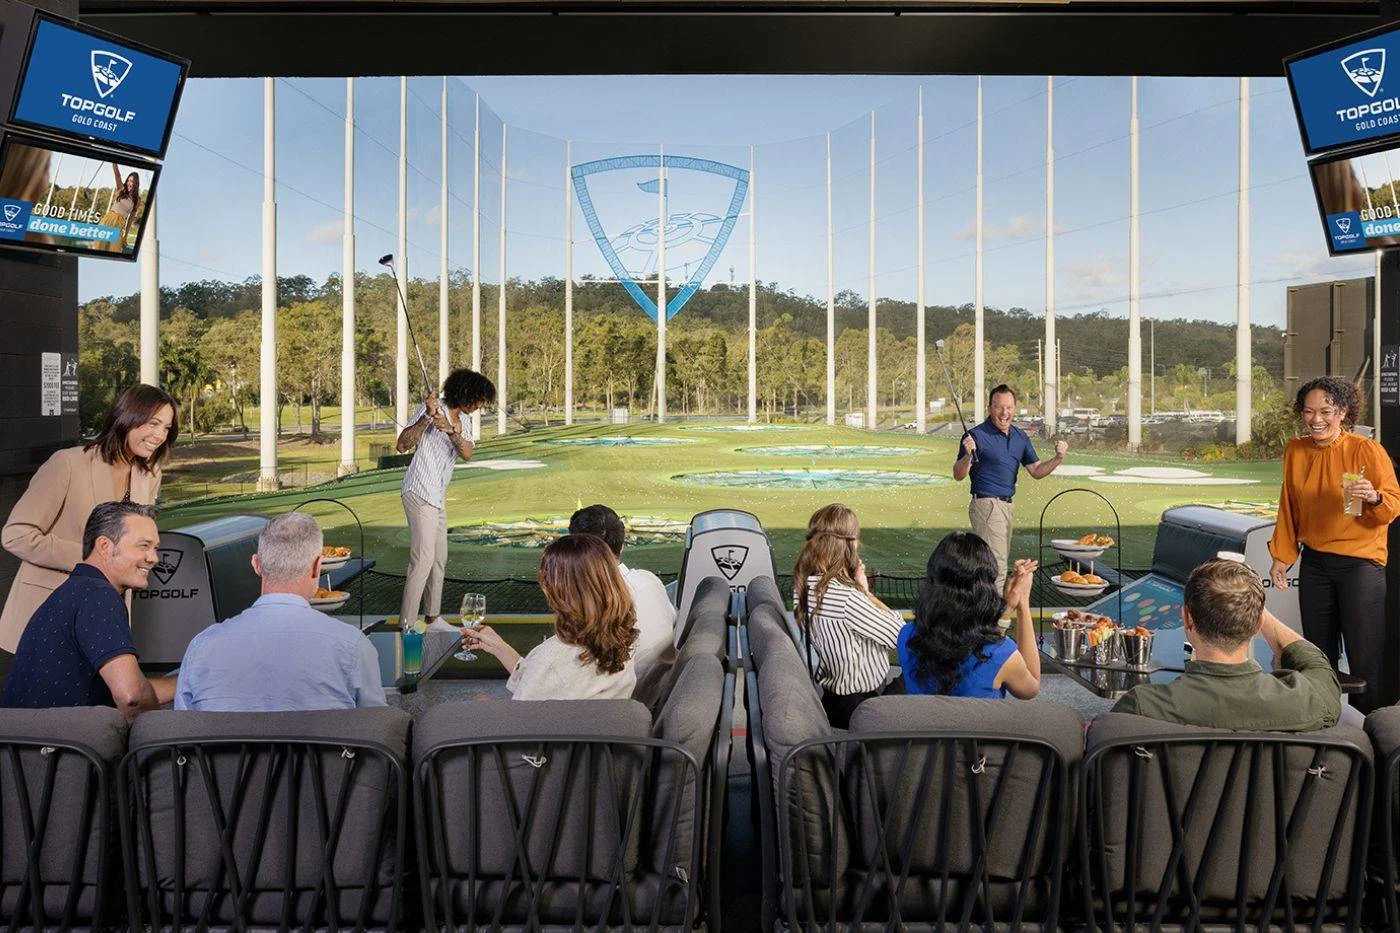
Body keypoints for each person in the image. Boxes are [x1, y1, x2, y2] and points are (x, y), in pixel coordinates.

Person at [1, 384, 177, 654]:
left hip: (106, 613)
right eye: (153, 423)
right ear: (127, 417)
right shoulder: (68, 464)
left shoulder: (149, 475)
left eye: (166, 428)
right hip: (50, 609)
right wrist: (91, 558)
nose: (159, 435)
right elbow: (16, 534)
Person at [1268, 376, 1399, 713]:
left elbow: (1392, 505)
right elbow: (1289, 506)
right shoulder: (1296, 450)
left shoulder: (1365, 450)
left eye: (1326, 411)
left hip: (1361, 565)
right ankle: (1323, 726)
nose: (1316, 419)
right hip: (1315, 564)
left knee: (1364, 658)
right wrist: (1282, 556)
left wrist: (1373, 496)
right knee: (1318, 656)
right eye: (1309, 411)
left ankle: (1371, 735)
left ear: (1342, 412)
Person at [175, 512, 386, 712]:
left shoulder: (201, 647)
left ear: (256, 565)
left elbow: (183, 734)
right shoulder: (352, 646)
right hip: (319, 750)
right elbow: (374, 730)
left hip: (225, 751)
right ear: (317, 567)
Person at [1114, 558, 1341, 731]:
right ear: (1258, 624)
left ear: (1187, 619)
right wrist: (1253, 609)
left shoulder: (1142, 707)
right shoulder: (1308, 701)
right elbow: (1316, 663)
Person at [0, 501, 175, 720]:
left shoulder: (75, 591)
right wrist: (160, 741)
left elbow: (133, 688)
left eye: (155, 548)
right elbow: (133, 696)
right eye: (144, 546)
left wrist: (188, 679)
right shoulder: (98, 596)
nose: (154, 558)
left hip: (24, 745)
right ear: (104, 546)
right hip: (62, 749)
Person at [463, 534, 637, 700]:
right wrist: (500, 648)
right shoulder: (624, 640)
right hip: (599, 727)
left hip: (551, 728)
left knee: (479, 701)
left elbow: (517, 723)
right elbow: (549, 684)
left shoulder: (551, 658)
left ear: (558, 589)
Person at [396, 368, 497, 628]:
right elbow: (402, 444)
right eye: (477, 400)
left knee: (439, 559)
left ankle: (432, 617)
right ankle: (406, 624)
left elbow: (467, 453)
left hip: (437, 496)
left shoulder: (467, 420)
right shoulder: (431, 407)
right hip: (418, 491)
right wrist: (428, 419)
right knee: (423, 560)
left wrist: (451, 431)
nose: (478, 406)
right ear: (465, 393)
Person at [792, 504, 905, 728]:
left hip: (831, 699)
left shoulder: (803, 588)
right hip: (860, 706)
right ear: (847, 544)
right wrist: (865, 593)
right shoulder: (847, 599)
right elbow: (899, 634)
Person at [898, 532, 1041, 700]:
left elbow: (966, 645)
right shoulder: (1002, 653)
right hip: (980, 727)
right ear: (985, 591)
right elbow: (1031, 687)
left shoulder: (907, 636)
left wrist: (1008, 607)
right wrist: (1023, 602)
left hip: (922, 726)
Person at [952, 385, 1068, 590]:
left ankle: (989, 617)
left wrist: (1058, 458)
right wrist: (969, 455)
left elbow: (1037, 470)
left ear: (1014, 408)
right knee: (994, 567)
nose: (1004, 413)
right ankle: (991, 620)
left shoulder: (1019, 437)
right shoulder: (976, 436)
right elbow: (958, 474)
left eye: (1009, 407)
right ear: (990, 408)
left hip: (1006, 507)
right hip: (986, 504)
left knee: (996, 566)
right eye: (999, 407)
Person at [569, 503, 676, 695]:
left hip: (620, 706)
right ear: (622, 545)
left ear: (578, 554)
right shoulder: (648, 580)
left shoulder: (594, 606)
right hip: (658, 694)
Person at [97, 164, 140, 253]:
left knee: (115, 249)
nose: (129, 183)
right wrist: (115, 162)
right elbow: (117, 174)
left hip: (120, 224)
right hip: (108, 220)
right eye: (128, 180)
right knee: (99, 246)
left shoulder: (137, 200)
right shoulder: (121, 189)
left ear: (136, 183)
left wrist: (125, 236)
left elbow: (130, 219)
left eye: (131, 181)